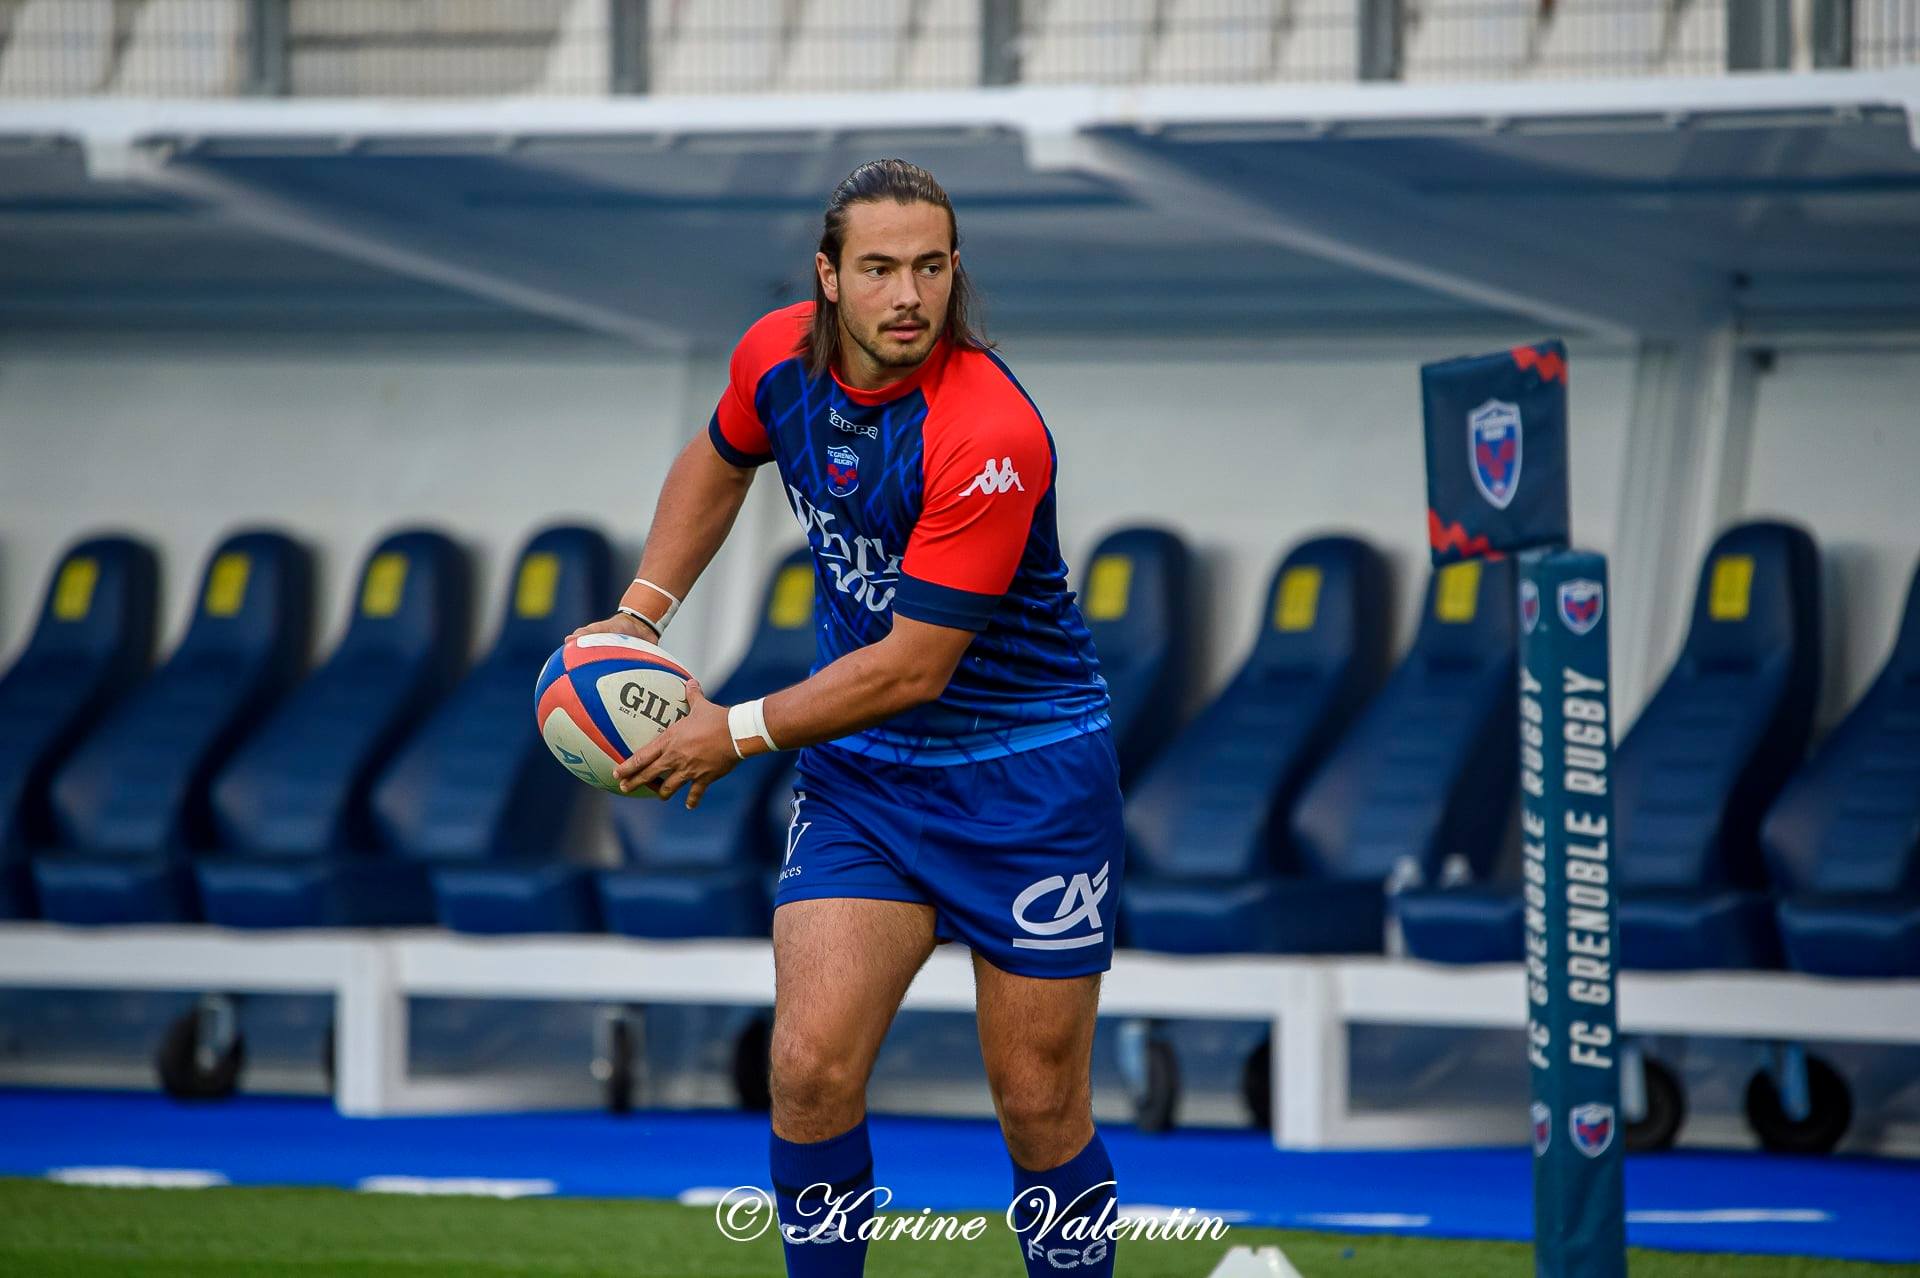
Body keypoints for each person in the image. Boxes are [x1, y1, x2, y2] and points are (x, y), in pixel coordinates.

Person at [572, 158, 1122, 1278]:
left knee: (1036, 1106)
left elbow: (913, 667)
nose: (908, 295)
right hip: (867, 781)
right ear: (828, 277)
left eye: (930, 267)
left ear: (956, 271)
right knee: (809, 1070)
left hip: (1026, 783)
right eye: (878, 268)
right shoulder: (774, 355)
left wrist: (729, 732)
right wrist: (637, 618)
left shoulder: (990, 433)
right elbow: (719, 463)